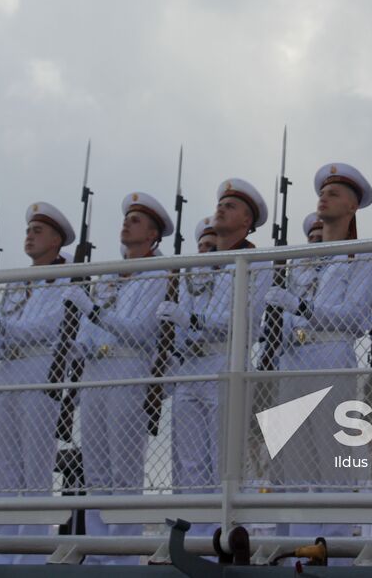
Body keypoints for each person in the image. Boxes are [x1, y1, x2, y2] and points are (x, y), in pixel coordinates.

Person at [266, 163, 372, 549]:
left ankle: (333, 549)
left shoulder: (361, 257)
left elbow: (355, 317)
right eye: (323, 190)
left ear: (352, 207)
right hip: (293, 358)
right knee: (295, 464)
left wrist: (302, 307)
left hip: (331, 351)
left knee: (333, 461)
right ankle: (301, 546)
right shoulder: (300, 260)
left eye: (335, 192)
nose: (324, 196)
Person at [64, 192, 172, 564]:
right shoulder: (110, 274)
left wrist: (93, 313)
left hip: (130, 367)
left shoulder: (159, 275)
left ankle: (123, 557)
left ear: (153, 234)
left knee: (123, 471)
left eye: (137, 220)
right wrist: (83, 341)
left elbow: (141, 331)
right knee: (95, 471)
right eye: (127, 218)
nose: (127, 224)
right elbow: (85, 329)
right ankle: (97, 553)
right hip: (97, 370)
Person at [158, 179, 270, 534]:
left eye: (231, 206)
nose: (221, 208)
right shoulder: (197, 266)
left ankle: (226, 536)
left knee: (225, 461)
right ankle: (194, 536)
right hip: (191, 364)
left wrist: (193, 320)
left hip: (226, 361)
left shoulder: (256, 263)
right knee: (190, 462)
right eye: (220, 203)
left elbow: (246, 320)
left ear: (246, 222)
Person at [0, 202, 76, 564]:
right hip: (10, 371)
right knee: (8, 468)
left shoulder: (67, 279)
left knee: (35, 469)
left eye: (37, 231)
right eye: (28, 230)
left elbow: (48, 328)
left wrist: (0, 329)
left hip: (40, 368)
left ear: (56, 240)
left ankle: (31, 555)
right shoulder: (18, 282)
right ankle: (4, 550)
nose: (29, 236)